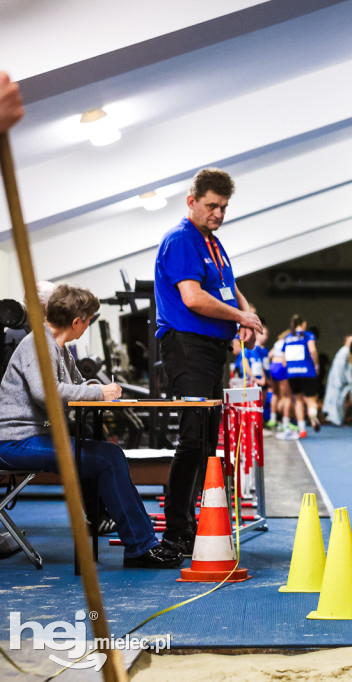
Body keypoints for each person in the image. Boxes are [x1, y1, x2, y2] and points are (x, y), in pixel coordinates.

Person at [0, 285, 182, 568]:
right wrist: (99, 394)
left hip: (34, 435)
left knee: (108, 454)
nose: (87, 326)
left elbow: (74, 385)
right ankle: (140, 546)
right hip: (15, 442)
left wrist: (96, 386)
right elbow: (47, 392)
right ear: (76, 322)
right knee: (106, 459)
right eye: (88, 320)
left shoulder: (58, 348)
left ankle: (141, 541)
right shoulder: (39, 345)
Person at [154, 167, 263, 557]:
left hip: (210, 349)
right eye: (211, 205)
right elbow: (194, 298)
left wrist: (246, 313)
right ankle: (177, 531)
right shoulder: (182, 240)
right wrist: (239, 318)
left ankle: (193, 522)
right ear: (192, 201)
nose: (218, 213)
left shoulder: (211, 242)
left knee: (205, 441)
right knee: (193, 438)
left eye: (224, 207)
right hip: (188, 347)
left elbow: (228, 286)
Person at [280, 314, 320, 439]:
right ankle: (312, 414)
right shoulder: (308, 335)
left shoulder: (288, 337)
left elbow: (283, 360)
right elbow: (312, 350)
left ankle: (302, 430)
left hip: (292, 372)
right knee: (311, 399)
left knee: (297, 399)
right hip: (307, 371)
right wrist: (317, 364)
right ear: (304, 324)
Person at [323, 334, 352, 426]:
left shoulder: (349, 352)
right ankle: (336, 419)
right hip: (339, 381)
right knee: (337, 401)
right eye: (350, 341)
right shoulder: (344, 351)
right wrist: (339, 381)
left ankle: (339, 419)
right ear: (346, 342)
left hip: (344, 381)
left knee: (341, 401)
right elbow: (339, 367)